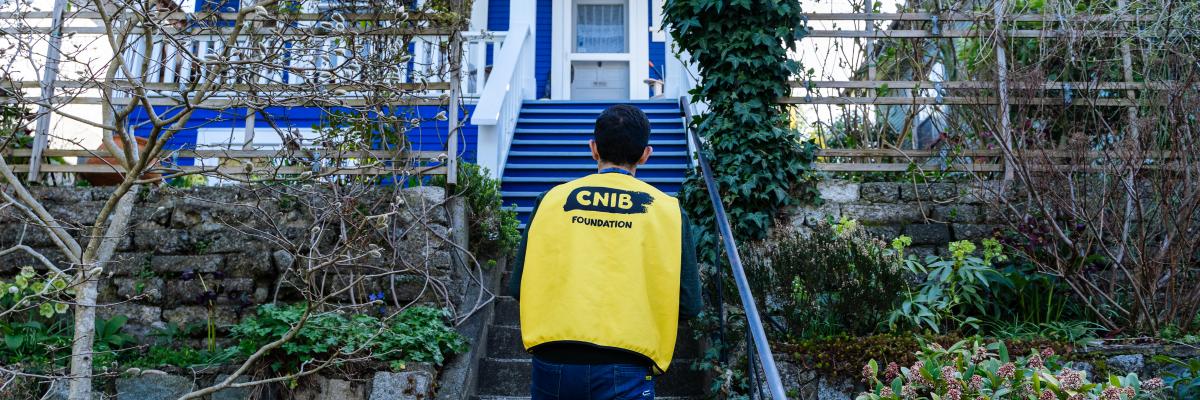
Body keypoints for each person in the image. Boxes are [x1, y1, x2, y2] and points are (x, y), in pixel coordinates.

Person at [507, 104, 702, 399]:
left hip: (555, 357)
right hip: (628, 360)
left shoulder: (549, 201)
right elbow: (689, 304)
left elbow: (518, 285)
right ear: (646, 154)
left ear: (594, 149)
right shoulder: (669, 212)